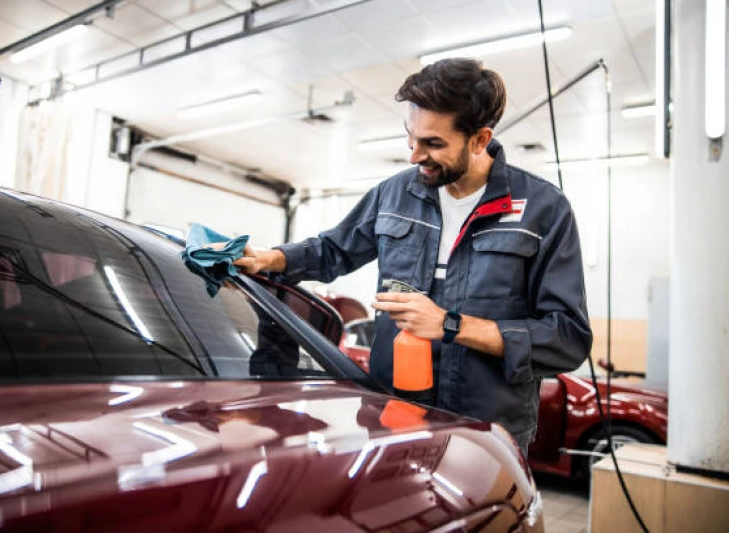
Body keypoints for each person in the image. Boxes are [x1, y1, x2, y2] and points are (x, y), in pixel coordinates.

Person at [233, 58, 593, 456]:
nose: (414, 156)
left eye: (433, 144)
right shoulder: (394, 195)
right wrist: (267, 258)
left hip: (484, 434)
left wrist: (451, 325)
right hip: (392, 420)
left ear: (479, 139)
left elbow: (566, 340)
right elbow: (332, 250)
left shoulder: (543, 209)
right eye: (411, 136)